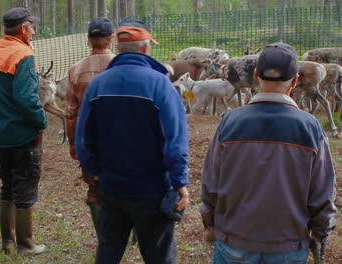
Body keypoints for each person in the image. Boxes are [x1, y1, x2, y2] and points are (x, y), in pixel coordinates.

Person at [200, 43, 337, 264]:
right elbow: (322, 193)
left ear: (256, 76)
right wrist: (321, 235)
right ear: (295, 81)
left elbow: (210, 185)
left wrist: (212, 225)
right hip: (288, 244)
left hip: (235, 241)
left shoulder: (230, 122)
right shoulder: (310, 127)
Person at [75, 25, 190, 264]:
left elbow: (83, 137)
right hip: (152, 191)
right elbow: (175, 141)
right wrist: (180, 182)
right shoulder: (161, 85)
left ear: (119, 49)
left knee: (108, 251)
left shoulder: (98, 84)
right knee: (159, 255)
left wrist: (96, 172)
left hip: (111, 187)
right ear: (146, 48)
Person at [0, 7, 47, 255]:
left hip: (0, 133)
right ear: (23, 28)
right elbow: (26, 97)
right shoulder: (23, 53)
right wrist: (41, 120)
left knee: (6, 186)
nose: (34, 31)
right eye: (32, 27)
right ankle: (26, 243)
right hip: (23, 134)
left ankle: (7, 242)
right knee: (25, 186)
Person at [65, 17, 115, 236]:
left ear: (88, 39)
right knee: (128, 187)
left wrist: (73, 144)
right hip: (121, 139)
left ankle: (103, 234)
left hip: (89, 141)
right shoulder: (122, 65)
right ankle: (130, 234)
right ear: (111, 39)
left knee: (94, 189)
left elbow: (70, 113)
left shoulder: (76, 70)